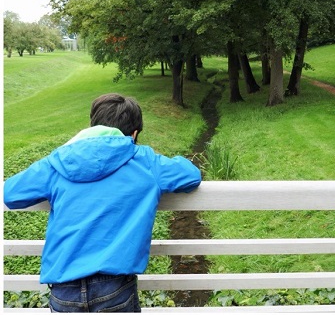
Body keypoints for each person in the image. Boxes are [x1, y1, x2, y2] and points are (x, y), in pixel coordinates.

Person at [4, 93, 201, 312]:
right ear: (134, 134)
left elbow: (11, 194)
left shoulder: (58, 161)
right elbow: (191, 175)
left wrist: (66, 149)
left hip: (63, 288)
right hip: (115, 287)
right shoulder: (145, 161)